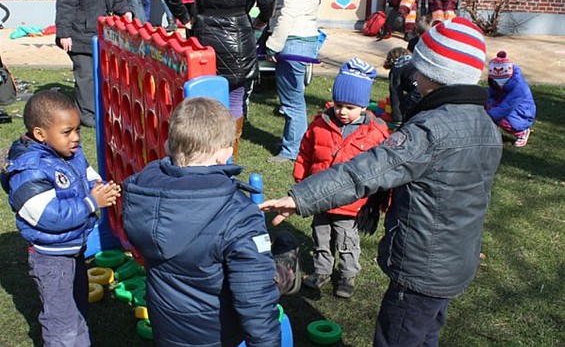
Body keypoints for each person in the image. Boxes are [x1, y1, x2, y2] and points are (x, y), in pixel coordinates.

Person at [259, 17, 503, 346]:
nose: (414, 78)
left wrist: (300, 198)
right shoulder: (486, 126)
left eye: (419, 69)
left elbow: (363, 171)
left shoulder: (430, 131)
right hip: (456, 261)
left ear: (435, 75)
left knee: (399, 336)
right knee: (426, 334)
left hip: (421, 267)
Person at [122, 97, 300, 346]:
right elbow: (254, 298)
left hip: (169, 330)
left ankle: (283, 271)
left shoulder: (143, 192)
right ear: (224, 154)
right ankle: (285, 272)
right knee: (273, 292)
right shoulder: (238, 214)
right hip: (219, 335)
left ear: (168, 145)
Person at [1, 90, 120, 346]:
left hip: (74, 250)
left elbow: (86, 175)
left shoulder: (68, 152)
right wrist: (91, 202)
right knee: (61, 321)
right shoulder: (29, 169)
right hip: (51, 260)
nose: (76, 138)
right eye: (67, 132)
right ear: (40, 134)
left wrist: (99, 186)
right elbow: (48, 216)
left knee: (77, 308)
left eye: (77, 129)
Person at [163, 0, 275, 161]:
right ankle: (227, 156)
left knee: (205, 98)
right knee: (235, 97)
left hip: (205, 38)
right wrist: (260, 21)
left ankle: (202, 153)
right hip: (239, 37)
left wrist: (187, 19)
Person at [294, 59, 390, 299]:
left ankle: (347, 274)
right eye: (338, 105)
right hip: (320, 197)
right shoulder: (320, 125)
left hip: (351, 203)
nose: (342, 112)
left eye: (350, 107)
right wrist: (301, 182)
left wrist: (380, 201)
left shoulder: (374, 133)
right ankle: (321, 270)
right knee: (321, 236)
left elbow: (384, 169)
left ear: (364, 106)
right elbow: (305, 154)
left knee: (347, 240)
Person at [55, 0, 132, 127]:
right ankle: (87, 115)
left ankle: (99, 107)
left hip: (101, 33)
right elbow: (66, 3)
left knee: (101, 73)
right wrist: (64, 33)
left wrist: (125, 10)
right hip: (79, 33)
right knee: (86, 75)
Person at [262, 0, 322, 164]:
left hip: (294, 39)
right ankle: (295, 143)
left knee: (291, 101)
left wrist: (273, 44)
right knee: (294, 98)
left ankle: (291, 150)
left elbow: (289, 12)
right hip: (300, 38)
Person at [487, 51, 536, 147]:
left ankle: (522, 132)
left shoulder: (518, 88)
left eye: (501, 81)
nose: (499, 84)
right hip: (506, 105)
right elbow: (491, 92)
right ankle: (492, 127)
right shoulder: (499, 81)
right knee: (487, 105)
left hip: (522, 113)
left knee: (501, 119)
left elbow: (506, 107)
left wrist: (489, 116)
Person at [383, 47, 421, 125]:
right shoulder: (415, 60)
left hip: (417, 91)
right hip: (429, 89)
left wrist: (397, 119)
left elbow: (395, 95)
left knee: (406, 111)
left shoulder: (397, 66)